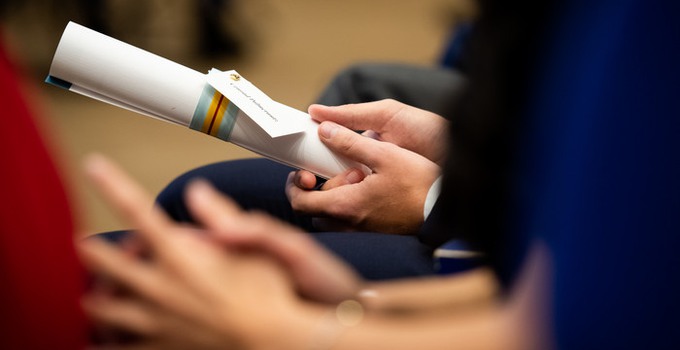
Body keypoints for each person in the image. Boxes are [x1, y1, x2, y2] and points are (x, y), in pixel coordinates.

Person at [79, 0, 680, 348]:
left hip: (508, 258)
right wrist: (451, 145)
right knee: (203, 197)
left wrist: (298, 325)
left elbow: (579, 320)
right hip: (523, 240)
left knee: (127, 279)